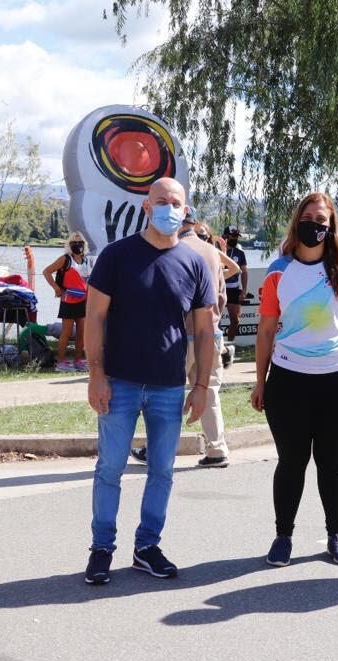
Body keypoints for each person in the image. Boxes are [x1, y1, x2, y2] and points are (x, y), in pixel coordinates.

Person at [84, 177, 215, 585]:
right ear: (146, 206)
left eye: (176, 202)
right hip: (118, 383)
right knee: (110, 468)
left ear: (186, 210)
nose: (169, 208)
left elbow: (205, 331)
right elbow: (95, 318)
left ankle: (146, 548)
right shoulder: (117, 256)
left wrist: (201, 386)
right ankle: (102, 548)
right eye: (161, 201)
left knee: (162, 471)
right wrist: (96, 375)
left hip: (168, 386)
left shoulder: (194, 263)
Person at [251, 192, 338, 567]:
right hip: (289, 382)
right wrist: (260, 382)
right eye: (308, 217)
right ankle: (283, 536)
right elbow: (266, 330)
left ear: (331, 226)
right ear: (296, 222)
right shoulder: (278, 271)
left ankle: (335, 535)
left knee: (332, 462)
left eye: (322, 220)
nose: (315, 225)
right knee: (291, 462)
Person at [130, 217, 240, 469]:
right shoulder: (213, 252)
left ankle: (157, 450)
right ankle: (217, 449)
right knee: (210, 390)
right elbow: (220, 296)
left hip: (176, 334)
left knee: (166, 392)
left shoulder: (171, 249)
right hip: (210, 333)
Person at [44, 232, 93, 372]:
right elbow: (46, 271)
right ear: (69, 245)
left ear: (85, 245)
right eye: (74, 243)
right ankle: (61, 362)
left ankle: (78, 360)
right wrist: (56, 288)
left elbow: (89, 281)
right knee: (65, 332)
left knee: (82, 332)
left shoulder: (87, 261)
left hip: (83, 301)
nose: (78, 245)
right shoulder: (65, 259)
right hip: (68, 301)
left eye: (80, 243)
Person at [222, 226, 249, 358]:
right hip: (218, 288)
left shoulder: (240, 253)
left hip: (233, 289)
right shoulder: (217, 250)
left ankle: (229, 346)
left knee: (235, 320)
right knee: (214, 320)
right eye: (233, 236)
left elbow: (244, 272)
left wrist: (244, 290)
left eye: (237, 236)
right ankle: (215, 346)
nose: (235, 238)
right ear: (226, 236)